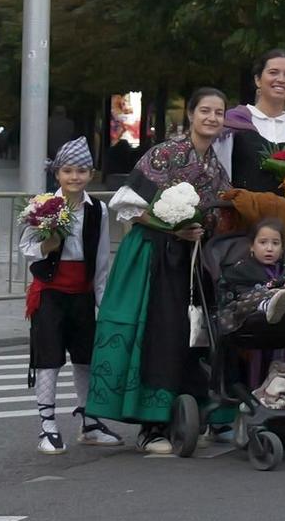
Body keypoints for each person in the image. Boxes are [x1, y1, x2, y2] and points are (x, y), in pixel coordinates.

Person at [88, 88, 231, 454]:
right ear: (191, 114)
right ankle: (150, 426)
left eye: (218, 112)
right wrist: (171, 228)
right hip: (152, 254)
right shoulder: (165, 153)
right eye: (205, 110)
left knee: (189, 336)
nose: (212, 118)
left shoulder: (216, 167)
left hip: (192, 259)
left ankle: (185, 415)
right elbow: (127, 204)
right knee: (156, 332)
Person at [23, 140, 119, 453]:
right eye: (67, 171)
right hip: (50, 292)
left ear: (91, 174)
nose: (74, 177)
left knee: (85, 358)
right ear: (57, 174)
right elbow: (25, 247)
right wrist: (45, 246)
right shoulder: (43, 206)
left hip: (82, 292)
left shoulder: (97, 210)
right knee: (48, 359)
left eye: (81, 170)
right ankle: (47, 425)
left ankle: (89, 422)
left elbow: (101, 261)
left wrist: (103, 303)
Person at [218, 48, 285, 232]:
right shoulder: (233, 124)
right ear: (258, 80)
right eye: (273, 72)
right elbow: (219, 177)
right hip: (240, 230)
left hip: (282, 235)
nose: (281, 79)